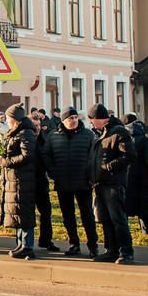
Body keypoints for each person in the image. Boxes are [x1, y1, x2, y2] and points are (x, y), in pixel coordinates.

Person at [42, 107, 99, 257]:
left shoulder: (88, 135)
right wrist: (53, 172)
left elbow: (94, 157)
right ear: (63, 120)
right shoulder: (53, 136)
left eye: (75, 117)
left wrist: (90, 175)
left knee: (87, 215)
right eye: (70, 118)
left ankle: (93, 245)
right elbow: (46, 155)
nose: (73, 121)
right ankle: (74, 243)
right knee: (68, 215)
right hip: (62, 182)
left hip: (83, 182)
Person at [88, 104, 136, 264]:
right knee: (105, 219)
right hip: (100, 183)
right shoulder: (101, 134)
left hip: (113, 183)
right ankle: (111, 250)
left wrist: (108, 167)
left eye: (92, 120)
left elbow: (129, 156)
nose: (91, 123)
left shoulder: (118, 132)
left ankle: (126, 251)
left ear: (99, 119)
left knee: (118, 219)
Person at [0, 104, 38, 259]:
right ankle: (20, 244)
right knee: (17, 212)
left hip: (23, 179)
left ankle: (27, 246)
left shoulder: (26, 133)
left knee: (24, 211)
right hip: (14, 178)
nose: (6, 120)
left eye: (8, 118)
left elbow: (27, 156)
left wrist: (6, 161)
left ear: (15, 119)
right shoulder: (15, 132)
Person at [124, 113, 148, 236]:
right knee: (144, 205)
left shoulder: (125, 140)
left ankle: (124, 229)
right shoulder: (146, 141)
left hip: (127, 177)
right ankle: (147, 230)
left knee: (125, 204)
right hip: (143, 178)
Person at [32, 116, 58, 253]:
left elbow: (50, 159)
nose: (36, 128)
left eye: (38, 125)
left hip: (41, 180)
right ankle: (26, 243)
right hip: (28, 181)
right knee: (28, 213)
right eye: (34, 125)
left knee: (46, 212)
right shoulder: (26, 139)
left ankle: (46, 240)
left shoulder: (45, 140)